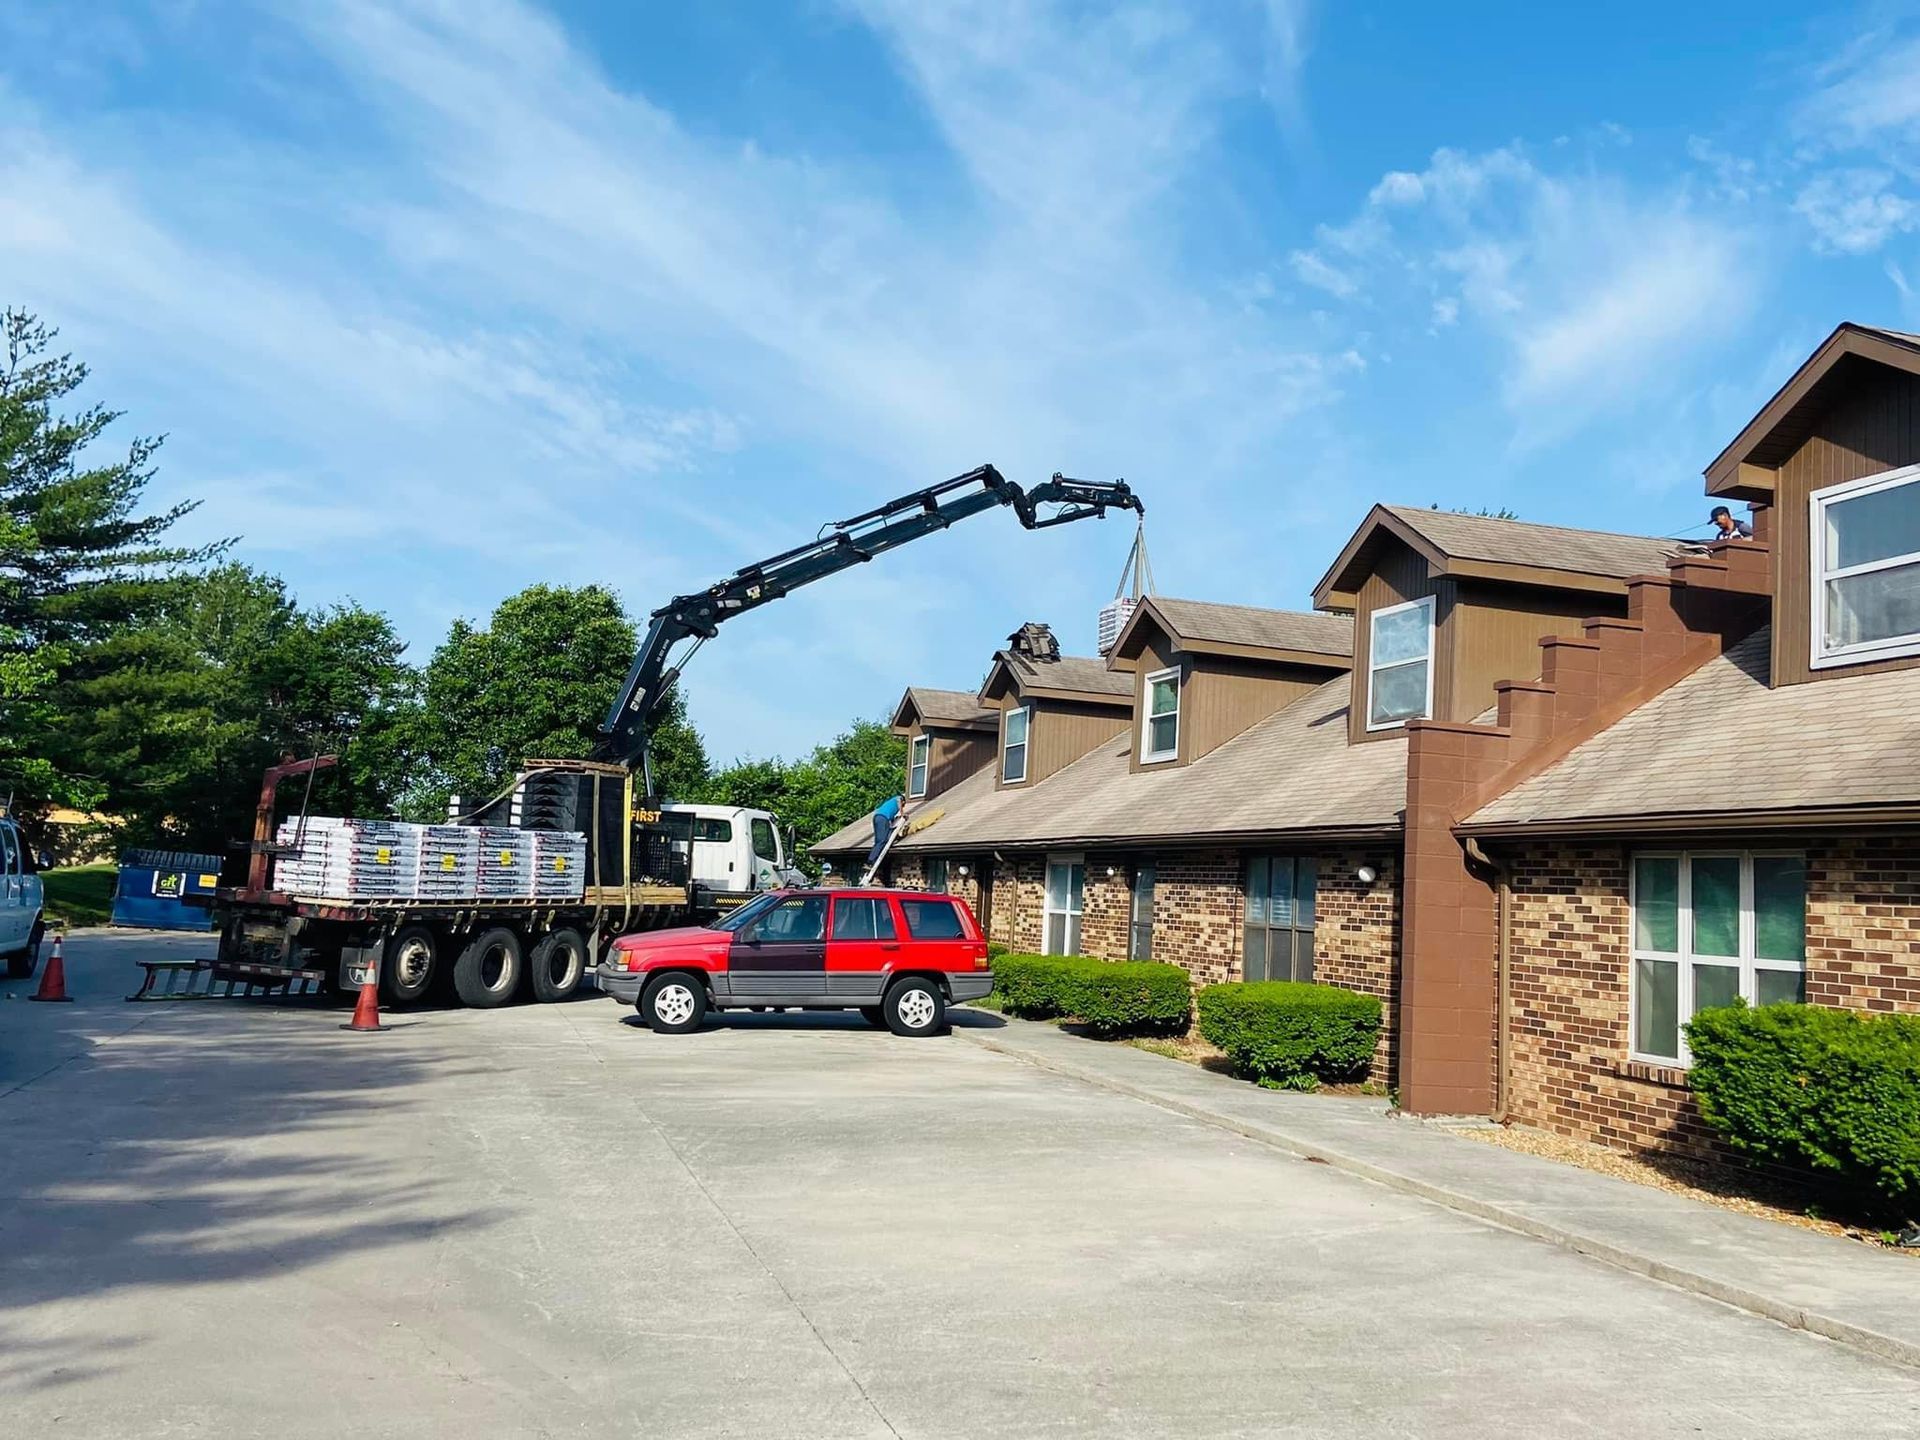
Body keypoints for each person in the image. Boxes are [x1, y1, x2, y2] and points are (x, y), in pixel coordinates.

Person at [866, 792, 904, 875]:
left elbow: (891, 824)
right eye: (903, 804)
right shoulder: (898, 798)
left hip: (877, 818)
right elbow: (899, 800)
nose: (903, 806)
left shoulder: (889, 806)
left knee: (878, 841)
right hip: (883, 818)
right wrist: (902, 815)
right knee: (882, 840)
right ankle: (871, 861)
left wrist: (896, 821)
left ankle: (870, 861)